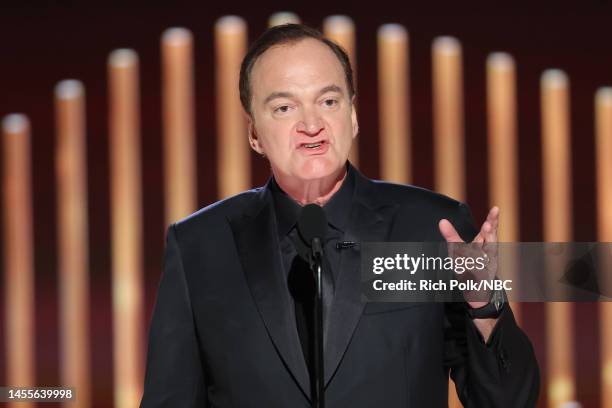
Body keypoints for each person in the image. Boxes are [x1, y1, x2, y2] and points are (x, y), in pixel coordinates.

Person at [140, 24, 539, 407]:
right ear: (254, 134)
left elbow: (508, 401)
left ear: (352, 115)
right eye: (284, 107)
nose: (312, 125)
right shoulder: (200, 246)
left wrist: (485, 307)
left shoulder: (433, 228)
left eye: (328, 101)